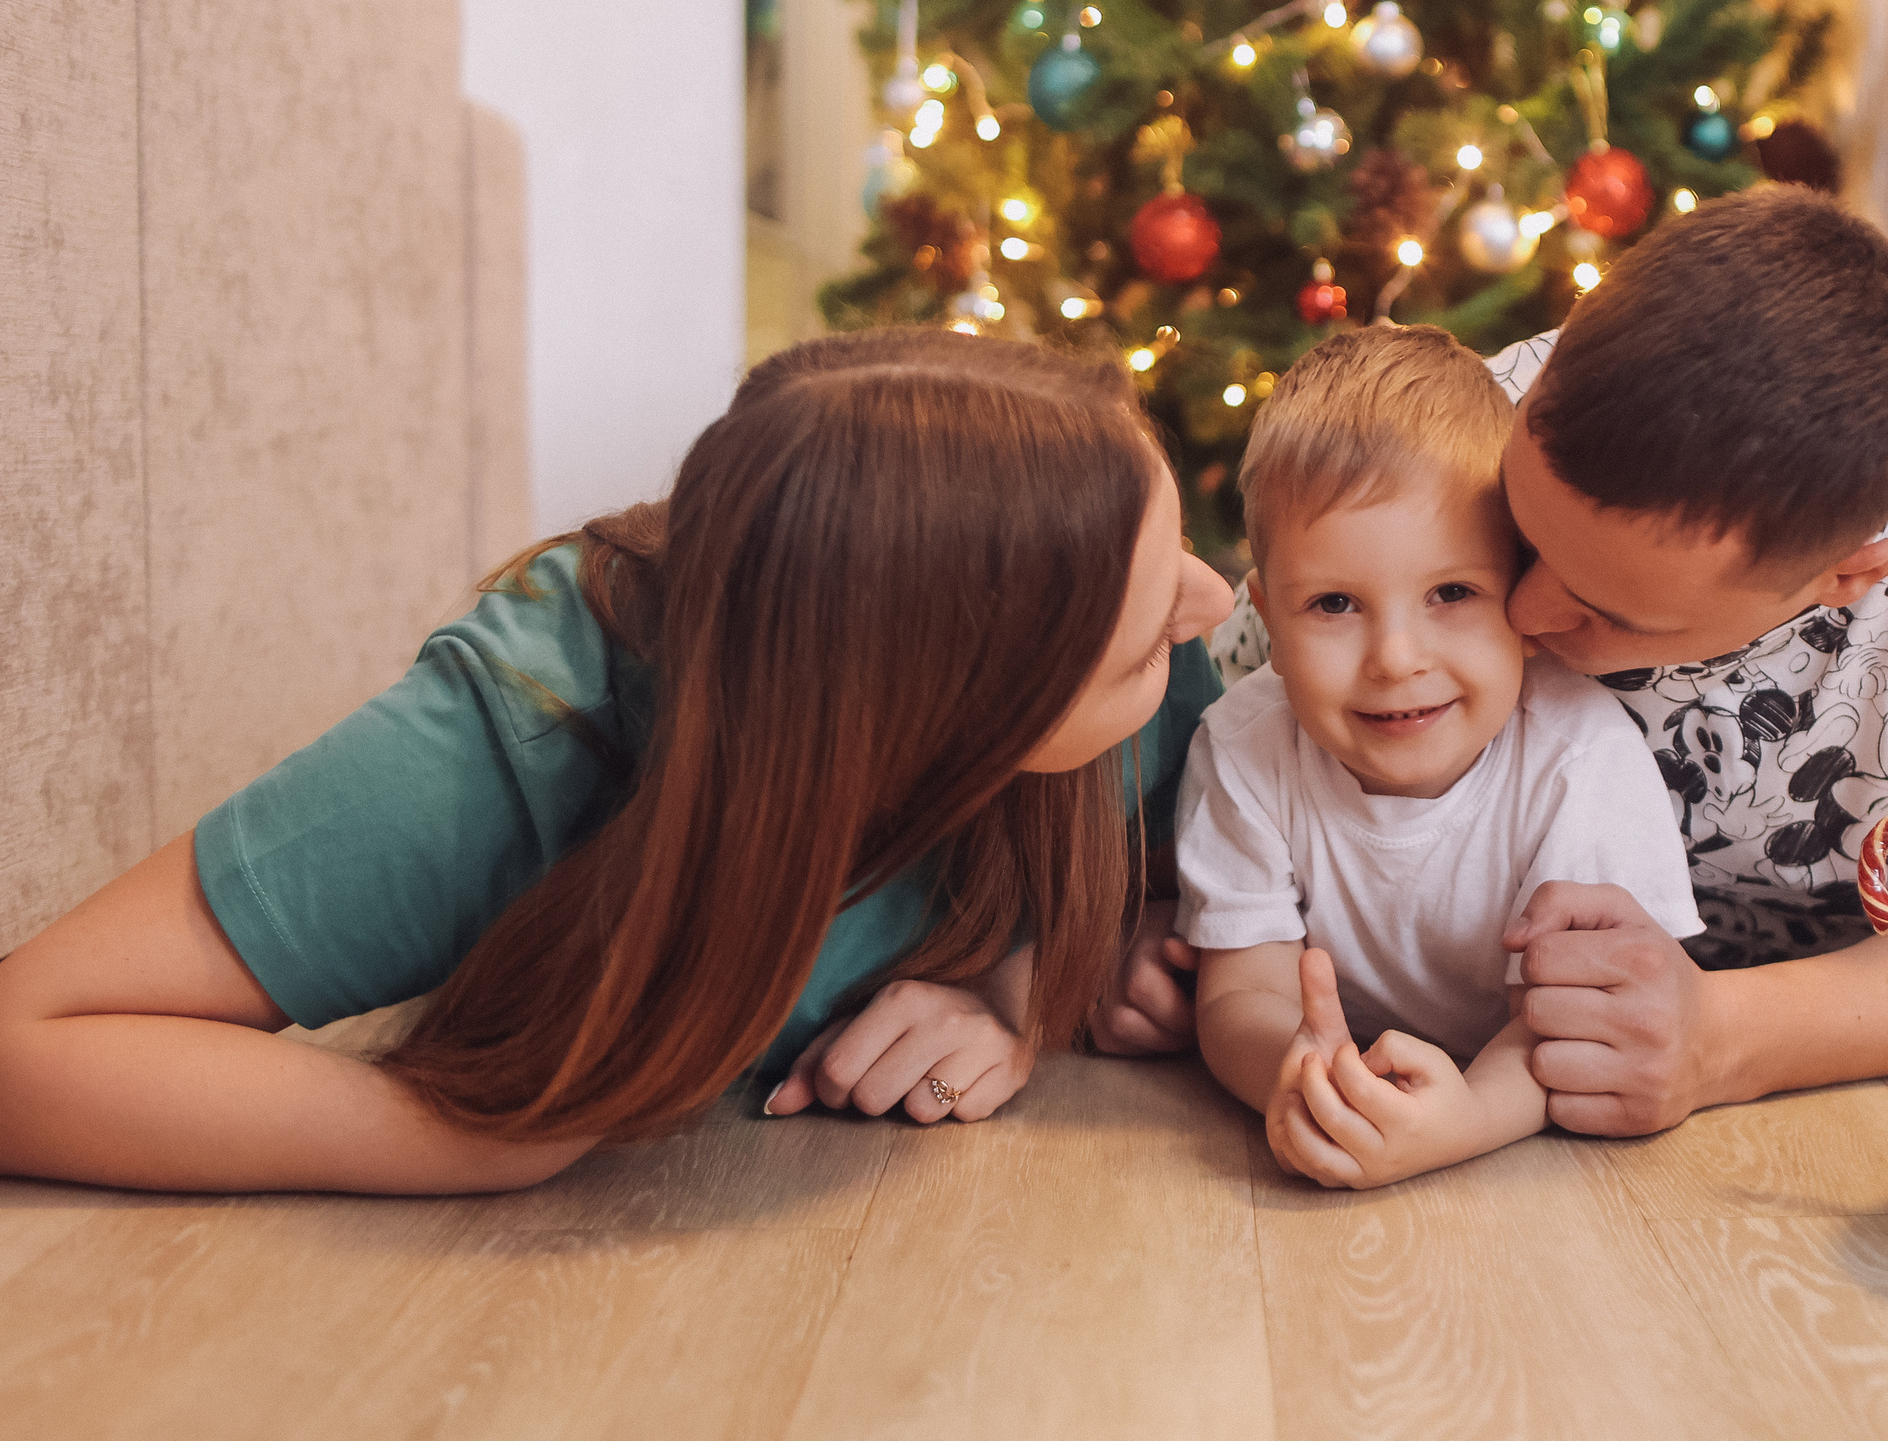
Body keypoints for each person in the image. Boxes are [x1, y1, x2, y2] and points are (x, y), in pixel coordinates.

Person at [0, 330, 1235, 1193]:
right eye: (1131, 646)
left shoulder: (1165, 672)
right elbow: (26, 1039)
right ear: (944, 707)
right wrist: (470, 1137)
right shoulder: (524, 731)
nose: (1209, 599)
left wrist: (1031, 982)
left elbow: (1246, 883)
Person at [1139, 186, 1888, 1135]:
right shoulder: (1501, 409)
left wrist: (1720, 1037)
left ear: (1846, 580)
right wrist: (1143, 924)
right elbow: (1223, 702)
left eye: (1606, 610)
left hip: (1852, 960)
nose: (1523, 605)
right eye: (1523, 536)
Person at [1174, 328, 1701, 1188]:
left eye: (1451, 593)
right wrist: (1307, 1077)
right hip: (1352, 1067)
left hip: (1535, 1124)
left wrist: (1467, 1120)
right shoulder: (1243, 749)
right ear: (1268, 619)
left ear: (1521, 594)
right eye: (1335, 603)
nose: (1395, 657)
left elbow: (1582, 1023)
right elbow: (1242, 995)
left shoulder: (1580, 757)